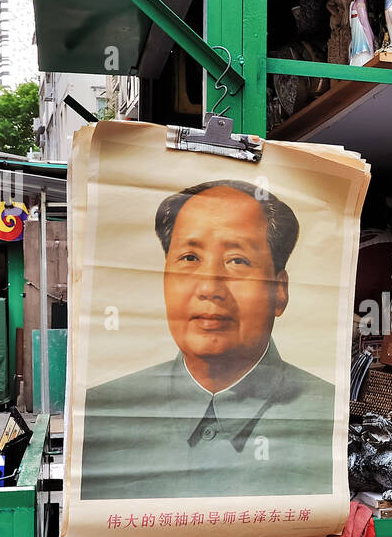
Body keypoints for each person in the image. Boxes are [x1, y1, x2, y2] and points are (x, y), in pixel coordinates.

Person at [80, 180, 335, 500]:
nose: (209, 287)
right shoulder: (104, 414)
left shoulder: (330, 416)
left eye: (237, 261)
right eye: (189, 258)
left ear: (279, 291)